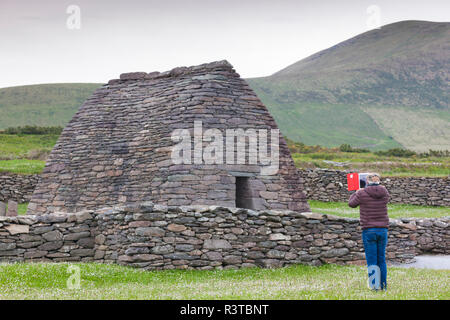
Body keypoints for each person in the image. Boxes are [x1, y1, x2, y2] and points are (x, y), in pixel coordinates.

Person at [348, 172, 390, 291]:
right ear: (378, 181)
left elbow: (351, 204)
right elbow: (385, 199)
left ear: (367, 181)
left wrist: (356, 191)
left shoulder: (361, 193)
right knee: (381, 259)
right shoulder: (384, 191)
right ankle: (383, 286)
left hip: (369, 230)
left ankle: (374, 286)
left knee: (372, 259)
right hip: (383, 229)